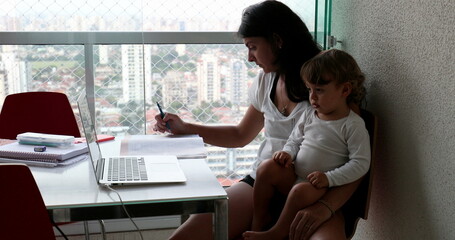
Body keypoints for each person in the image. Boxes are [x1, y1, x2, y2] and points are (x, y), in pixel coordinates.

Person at [154, 1, 362, 239]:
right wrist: (186, 128)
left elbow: (358, 162)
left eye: (252, 47)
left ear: (278, 40)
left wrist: (325, 207)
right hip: (262, 186)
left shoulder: (327, 80)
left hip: (315, 193)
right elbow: (240, 135)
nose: (250, 58)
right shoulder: (267, 80)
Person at [243, 49, 371, 240]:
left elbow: (360, 164)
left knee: (299, 191)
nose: (312, 97)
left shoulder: (352, 125)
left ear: (345, 90)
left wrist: (328, 178)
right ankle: (259, 221)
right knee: (266, 168)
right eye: (310, 89)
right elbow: (295, 140)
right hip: (296, 175)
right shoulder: (311, 114)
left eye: (319, 90)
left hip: (320, 187)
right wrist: (287, 153)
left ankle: (277, 232)